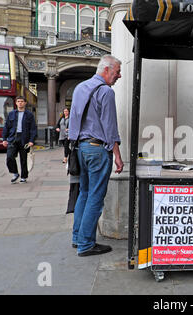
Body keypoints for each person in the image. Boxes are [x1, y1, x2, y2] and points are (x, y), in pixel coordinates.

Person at [68, 55, 124, 257]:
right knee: (95, 197)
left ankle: (77, 238)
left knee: (84, 192)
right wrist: (117, 155)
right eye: (117, 71)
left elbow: (73, 121)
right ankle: (85, 244)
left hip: (81, 148)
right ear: (107, 70)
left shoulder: (80, 88)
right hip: (98, 149)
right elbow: (110, 128)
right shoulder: (106, 92)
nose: (119, 75)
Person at [2, 96, 37, 183]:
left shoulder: (29, 115)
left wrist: (31, 140)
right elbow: (6, 127)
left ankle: (24, 177)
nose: (20, 103)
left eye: (22, 101)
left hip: (24, 139)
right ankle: (15, 172)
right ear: (16, 103)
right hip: (13, 138)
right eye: (18, 101)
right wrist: (4, 139)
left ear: (25, 103)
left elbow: (33, 128)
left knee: (23, 159)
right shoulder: (11, 114)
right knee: (9, 157)